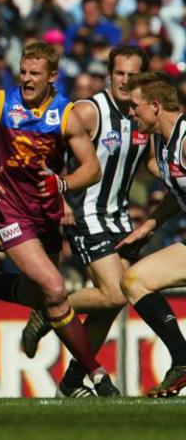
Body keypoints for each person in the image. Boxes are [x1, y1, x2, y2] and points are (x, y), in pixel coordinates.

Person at [0, 41, 120, 396]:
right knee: (56, 289)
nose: (26, 80)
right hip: (6, 208)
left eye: (34, 74)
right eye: (23, 72)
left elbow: (93, 168)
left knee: (37, 295)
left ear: (52, 76)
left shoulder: (66, 114)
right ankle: (97, 376)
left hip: (45, 212)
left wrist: (63, 183)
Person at [19, 45, 151, 397]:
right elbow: (49, 150)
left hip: (120, 218)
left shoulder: (142, 116)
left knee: (107, 310)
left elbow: (152, 163)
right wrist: (60, 197)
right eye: (119, 73)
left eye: (132, 74)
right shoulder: (90, 111)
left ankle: (73, 381)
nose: (125, 80)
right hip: (86, 214)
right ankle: (51, 309)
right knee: (115, 293)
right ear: (110, 74)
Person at [113, 72, 186, 397]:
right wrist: (149, 226)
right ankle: (183, 361)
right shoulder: (166, 144)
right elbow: (176, 191)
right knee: (134, 281)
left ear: (155, 106)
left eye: (135, 106)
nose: (131, 113)